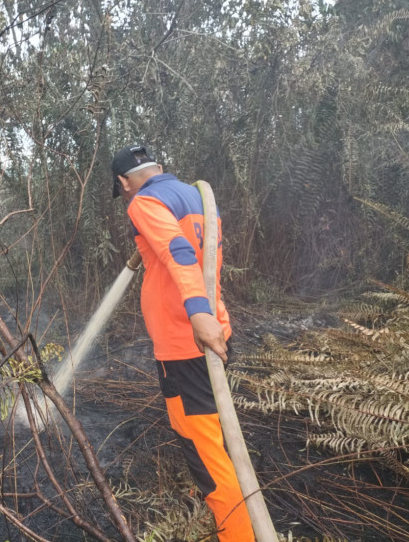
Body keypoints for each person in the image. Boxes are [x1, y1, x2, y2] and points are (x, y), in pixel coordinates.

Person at [111, 145, 254, 542]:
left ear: (124, 181)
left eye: (122, 190)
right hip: (217, 333)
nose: (126, 197)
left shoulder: (143, 201)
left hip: (186, 342)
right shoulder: (194, 195)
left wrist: (198, 314)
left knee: (207, 457)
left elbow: (177, 253)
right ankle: (229, 509)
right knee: (216, 434)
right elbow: (187, 249)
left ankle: (238, 534)